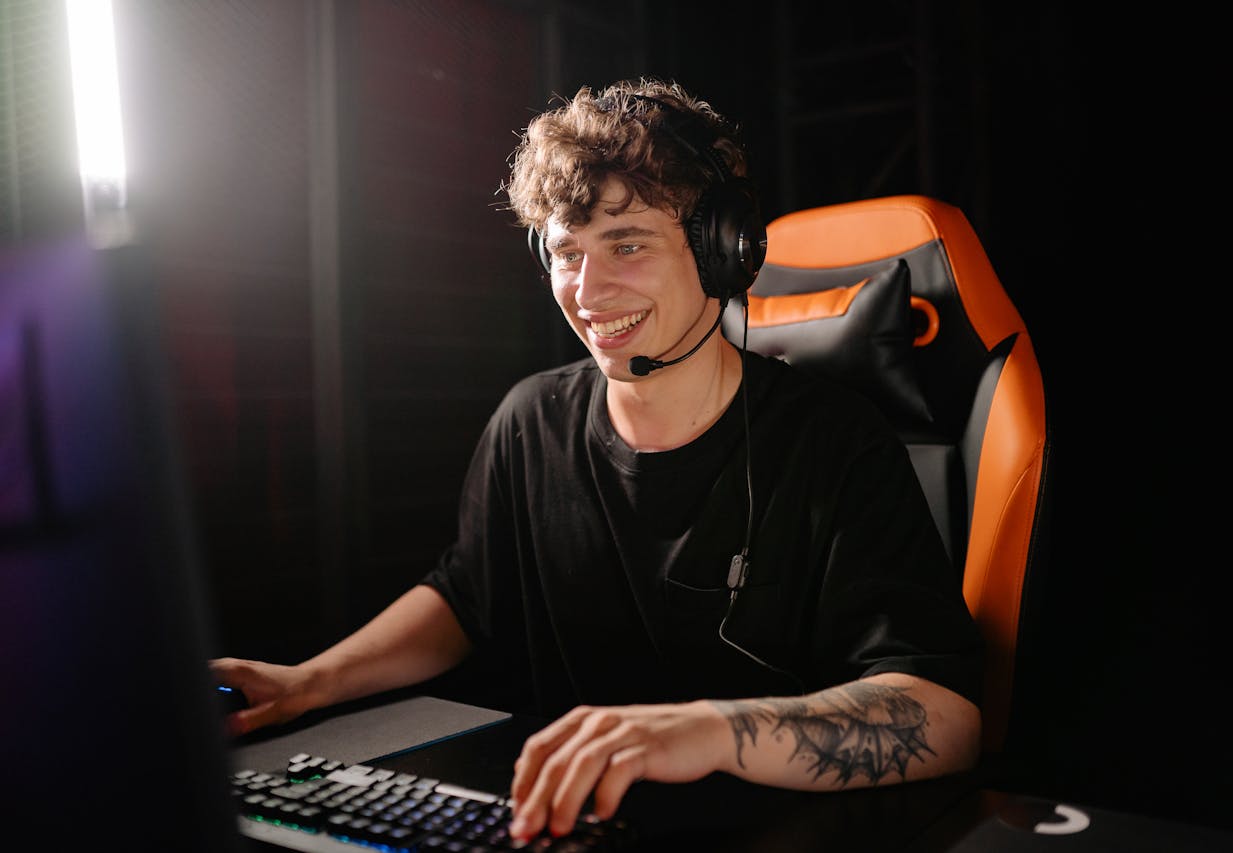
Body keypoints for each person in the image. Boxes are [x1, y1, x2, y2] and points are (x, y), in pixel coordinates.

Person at [210, 77, 983, 842]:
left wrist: (710, 731)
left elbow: (944, 717)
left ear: (724, 250)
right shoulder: (528, 422)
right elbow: (465, 599)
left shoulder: (835, 441)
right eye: (565, 251)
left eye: (628, 243)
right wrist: (307, 682)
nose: (587, 289)